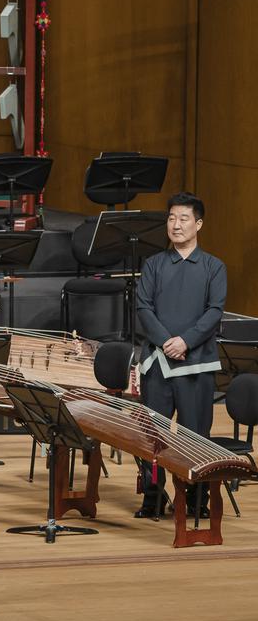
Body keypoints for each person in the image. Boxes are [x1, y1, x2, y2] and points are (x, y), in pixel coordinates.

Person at [134, 192, 226, 519]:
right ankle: (153, 498)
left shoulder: (214, 267)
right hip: (157, 364)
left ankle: (197, 499)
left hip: (196, 364)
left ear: (198, 224)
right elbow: (143, 307)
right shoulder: (154, 264)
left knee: (195, 435)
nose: (176, 224)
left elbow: (214, 311)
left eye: (184, 218)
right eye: (172, 218)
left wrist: (185, 341)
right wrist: (164, 341)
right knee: (152, 438)